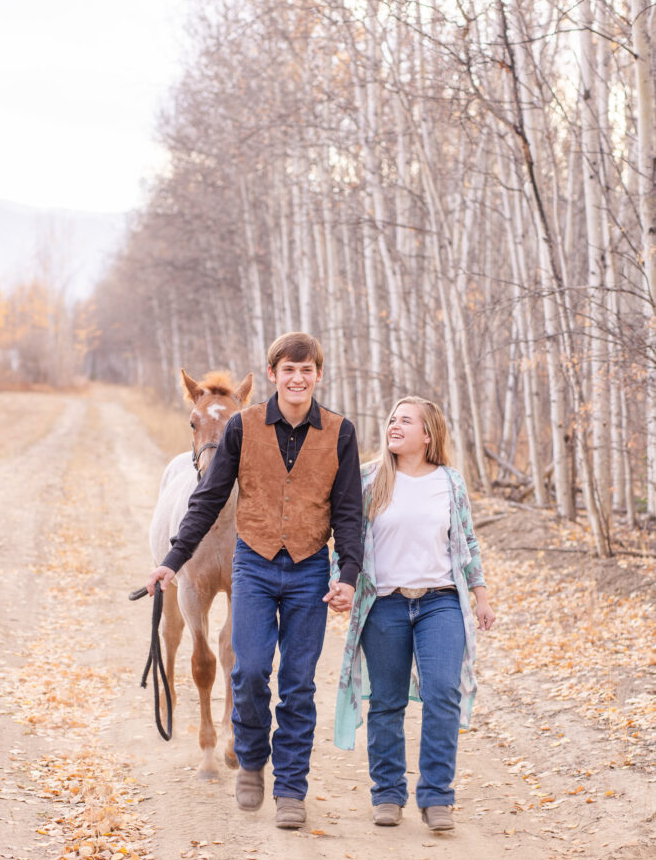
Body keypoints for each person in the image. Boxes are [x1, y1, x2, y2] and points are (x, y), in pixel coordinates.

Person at [147, 332, 363, 829]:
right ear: (272, 375)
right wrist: (173, 559)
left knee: (298, 685)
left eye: (306, 370)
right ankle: (249, 761)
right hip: (254, 564)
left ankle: (290, 789)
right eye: (288, 369)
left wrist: (347, 573)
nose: (297, 378)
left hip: (310, 567)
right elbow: (207, 498)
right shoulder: (242, 427)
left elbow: (348, 511)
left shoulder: (340, 432)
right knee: (246, 672)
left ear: (318, 376)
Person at [333, 396, 494, 830]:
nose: (394, 425)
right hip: (384, 602)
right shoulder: (368, 479)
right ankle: (387, 794)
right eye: (391, 419)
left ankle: (437, 796)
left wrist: (480, 593)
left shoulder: (450, 481)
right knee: (386, 700)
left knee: (442, 692)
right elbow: (347, 537)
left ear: (428, 434)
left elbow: (467, 542)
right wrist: (341, 582)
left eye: (406, 420)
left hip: (440, 600)